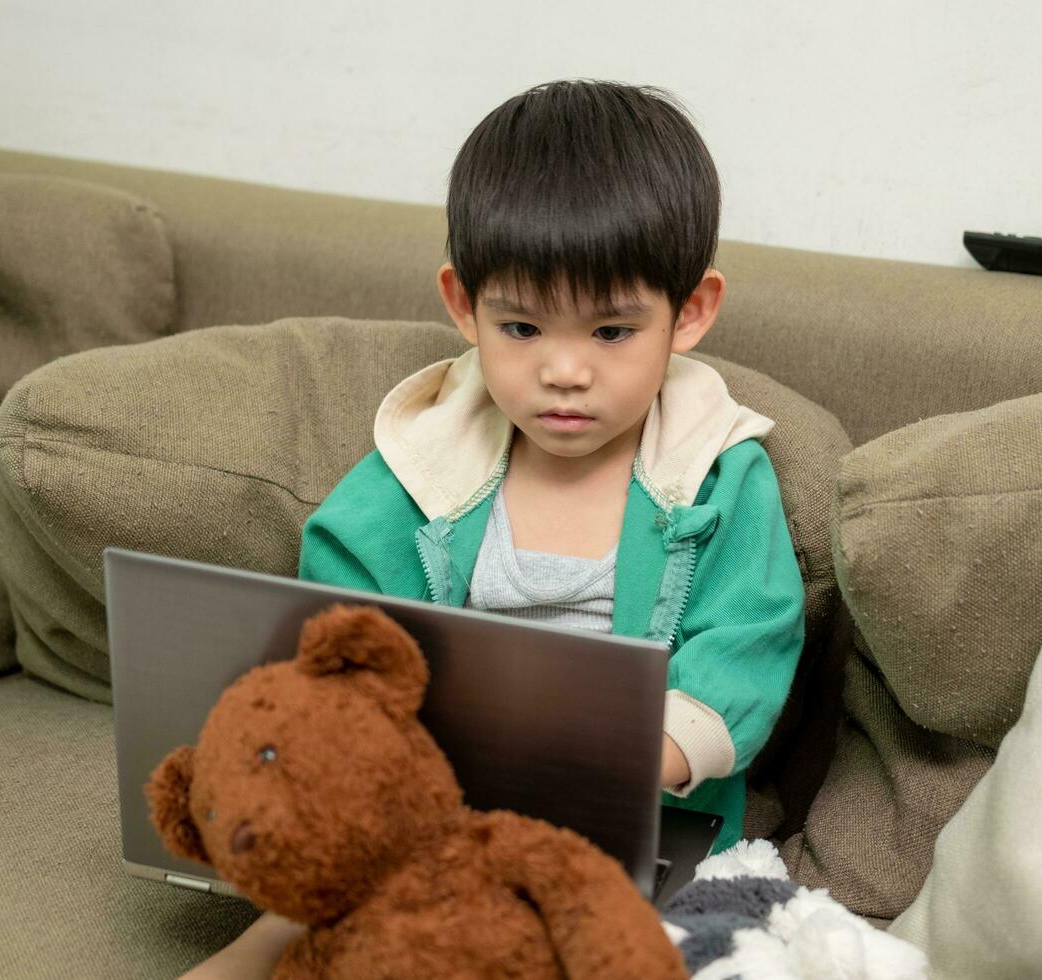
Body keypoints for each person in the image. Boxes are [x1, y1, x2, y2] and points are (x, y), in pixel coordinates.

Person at [182, 77, 804, 979]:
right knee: (351, 884)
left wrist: (653, 755)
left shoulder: (715, 469)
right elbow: (343, 614)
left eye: (611, 333)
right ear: (462, 305)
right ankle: (273, 939)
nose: (563, 371)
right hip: (435, 793)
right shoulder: (423, 463)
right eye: (520, 325)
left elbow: (751, 634)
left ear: (692, 313)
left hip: (630, 809)